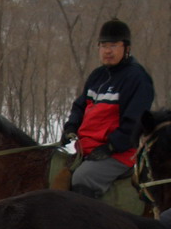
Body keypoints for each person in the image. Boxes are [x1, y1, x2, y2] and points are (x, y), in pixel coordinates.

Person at [62, 18, 154, 198]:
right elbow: (80, 106)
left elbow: (135, 122)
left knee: (83, 178)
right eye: (103, 46)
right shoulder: (98, 76)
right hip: (89, 149)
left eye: (113, 45)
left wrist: (111, 146)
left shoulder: (137, 78)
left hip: (120, 153)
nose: (107, 51)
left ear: (126, 48)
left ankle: (89, 224)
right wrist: (70, 127)